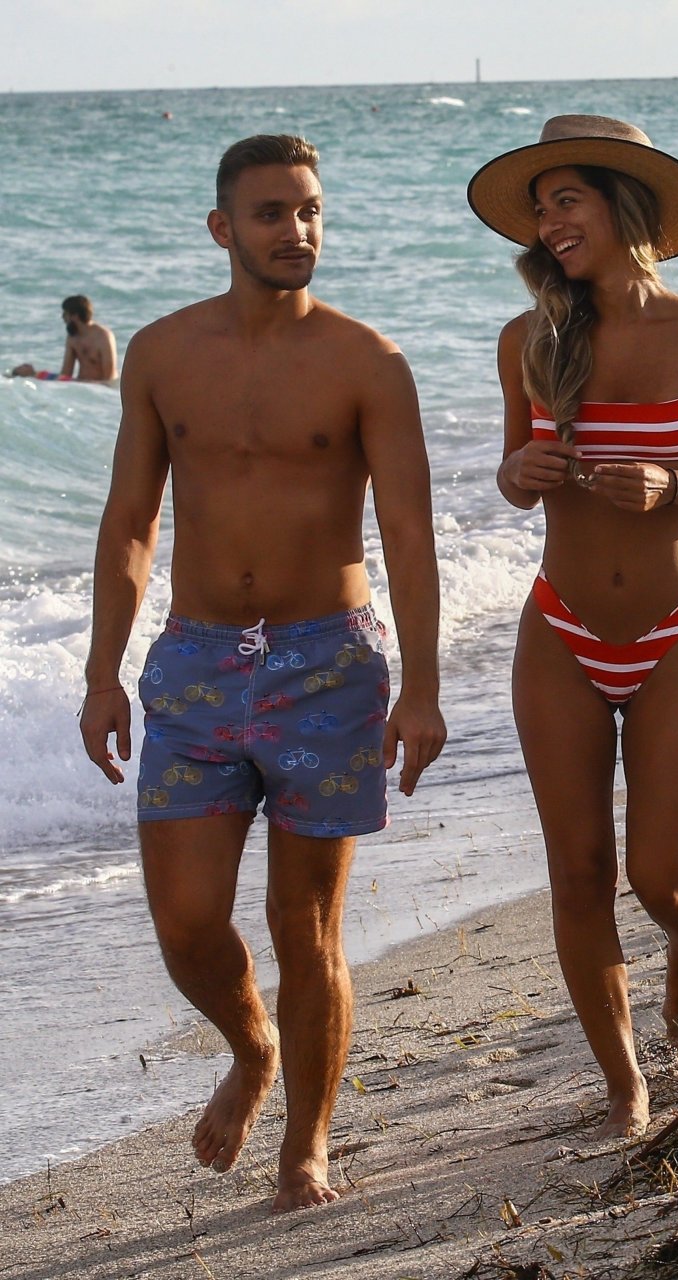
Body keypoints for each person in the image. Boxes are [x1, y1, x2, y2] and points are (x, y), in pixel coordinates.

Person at [79, 134, 446, 1211]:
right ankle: (253, 1047)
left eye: (310, 210)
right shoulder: (160, 353)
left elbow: (410, 535)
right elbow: (130, 521)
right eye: (272, 212)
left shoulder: (368, 362)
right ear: (221, 228)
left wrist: (422, 687)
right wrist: (103, 671)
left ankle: (306, 1150)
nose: (297, 230)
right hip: (195, 662)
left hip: (327, 663)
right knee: (187, 922)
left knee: (306, 926)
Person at [467, 116, 678, 1137]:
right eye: (539, 207)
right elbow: (513, 480)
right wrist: (518, 471)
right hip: (557, 632)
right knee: (577, 873)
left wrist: (675, 484)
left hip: (672, 635)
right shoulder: (527, 339)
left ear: (623, 204)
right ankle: (622, 1081)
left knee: (659, 878)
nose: (549, 223)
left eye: (568, 199)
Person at [13, 295, 118, 382]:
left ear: (75, 316)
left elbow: (109, 378)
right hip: (83, 387)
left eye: (65, 314)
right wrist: (35, 375)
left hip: (101, 389)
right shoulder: (73, 337)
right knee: (25, 374)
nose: (62, 317)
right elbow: (66, 374)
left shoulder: (103, 336)